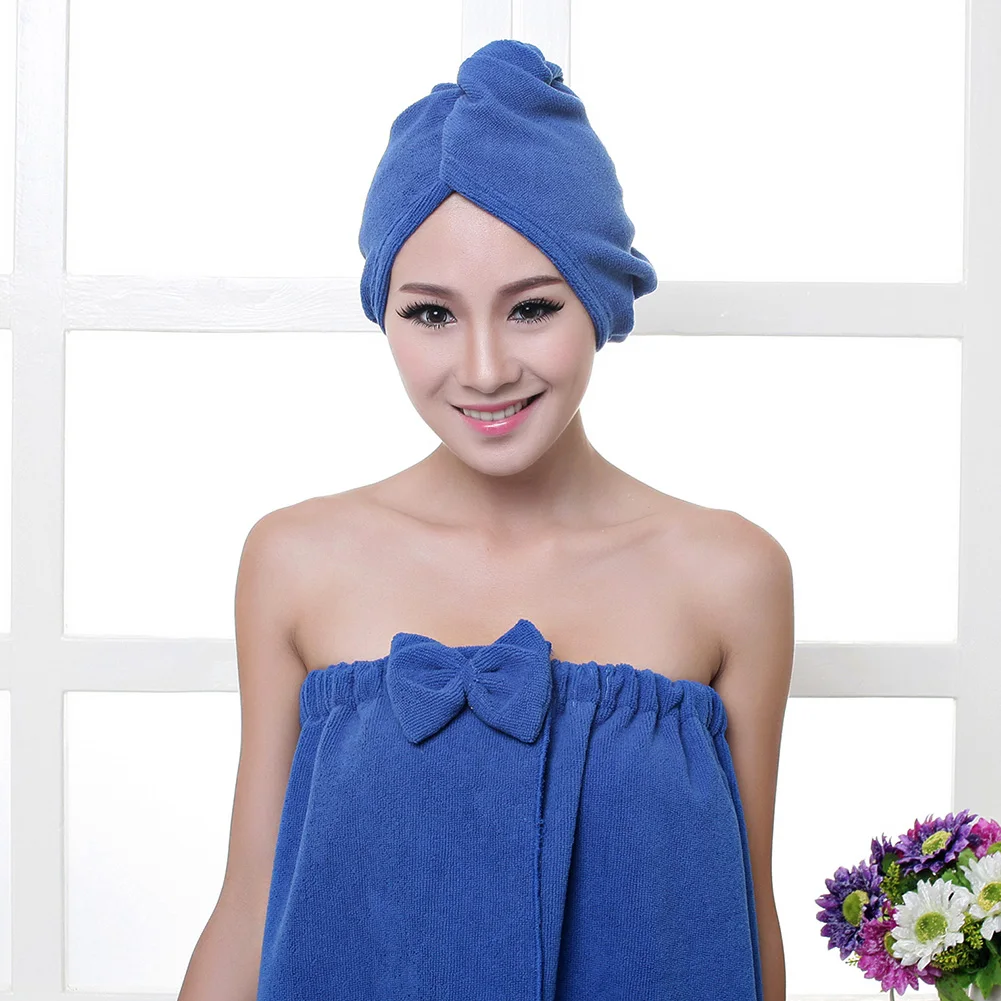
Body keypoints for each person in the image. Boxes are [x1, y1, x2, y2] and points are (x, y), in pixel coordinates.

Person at [178, 38, 793, 1001]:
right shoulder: (296, 560)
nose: (484, 369)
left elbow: (745, 921)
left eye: (530, 308)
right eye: (431, 314)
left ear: (600, 301)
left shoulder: (728, 574)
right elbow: (251, 903)